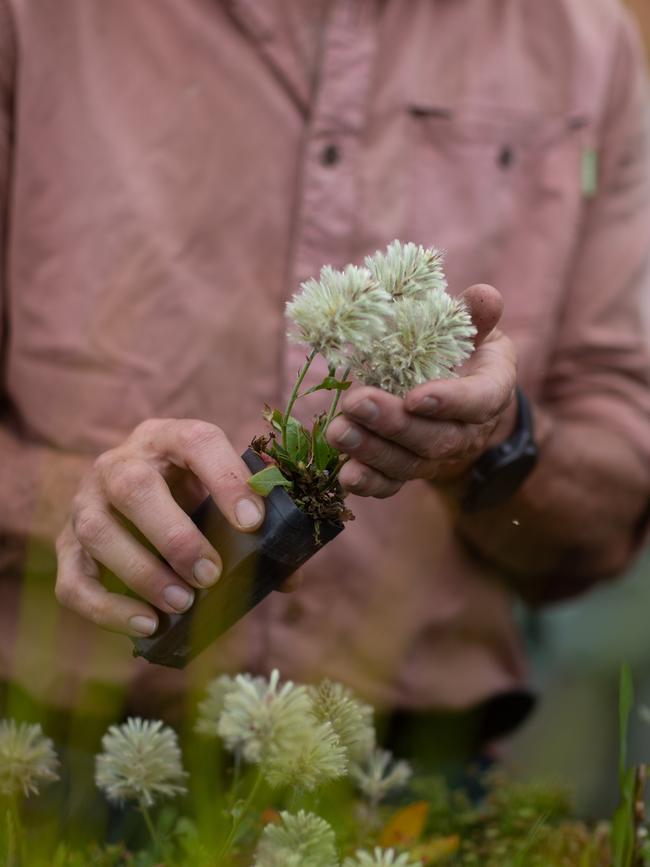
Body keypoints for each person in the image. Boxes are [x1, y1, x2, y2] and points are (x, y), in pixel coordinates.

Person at [1, 0, 649, 756]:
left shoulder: (586, 40)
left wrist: (495, 444)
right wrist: (66, 501)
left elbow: (609, 520)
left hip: (409, 782)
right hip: (55, 759)